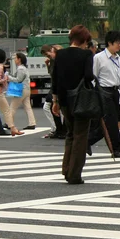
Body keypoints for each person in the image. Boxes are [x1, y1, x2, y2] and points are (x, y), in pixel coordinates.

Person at [51, 25, 94, 185]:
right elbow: (89, 76)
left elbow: (54, 79)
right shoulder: (86, 55)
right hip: (81, 100)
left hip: (63, 100)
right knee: (81, 136)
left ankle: (66, 168)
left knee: (70, 134)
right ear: (84, 40)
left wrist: (54, 101)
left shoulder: (60, 55)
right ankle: (74, 174)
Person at [88, 30, 120, 159]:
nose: (119, 45)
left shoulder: (118, 59)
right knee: (110, 122)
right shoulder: (99, 58)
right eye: (117, 43)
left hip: (114, 92)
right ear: (109, 43)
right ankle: (116, 149)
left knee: (114, 121)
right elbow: (93, 76)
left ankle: (86, 142)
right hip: (103, 92)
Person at [7, 53, 37, 130]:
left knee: (12, 107)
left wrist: (8, 77)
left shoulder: (20, 69)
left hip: (21, 89)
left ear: (19, 59)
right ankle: (32, 123)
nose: (14, 60)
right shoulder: (24, 68)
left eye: (15, 58)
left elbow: (18, 80)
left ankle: (9, 123)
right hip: (26, 89)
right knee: (28, 107)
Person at [42, 45, 65, 139]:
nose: (48, 55)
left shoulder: (60, 61)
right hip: (55, 88)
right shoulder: (52, 61)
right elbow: (52, 74)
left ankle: (58, 129)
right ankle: (59, 129)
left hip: (59, 88)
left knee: (53, 108)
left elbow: (56, 76)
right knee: (53, 108)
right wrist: (47, 65)